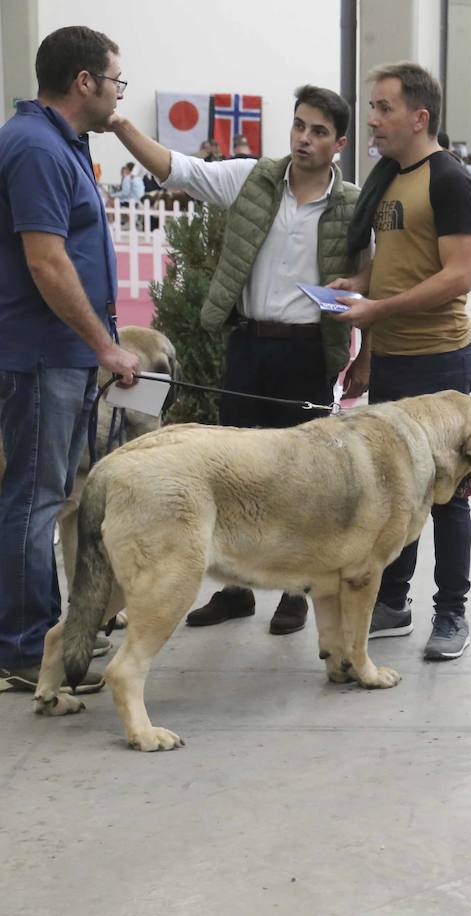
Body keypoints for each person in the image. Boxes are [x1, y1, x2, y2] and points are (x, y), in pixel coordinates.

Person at [109, 85, 360, 635]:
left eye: (319, 131)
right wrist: (120, 125)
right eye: (299, 125)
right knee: (234, 475)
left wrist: (362, 335)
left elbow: (374, 274)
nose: (304, 138)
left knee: (305, 480)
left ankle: (296, 591)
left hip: (307, 353)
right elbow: (179, 169)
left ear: (339, 144)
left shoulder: (352, 205)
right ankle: (236, 590)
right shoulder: (253, 179)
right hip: (247, 345)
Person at [1, 25, 142, 692]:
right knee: (34, 501)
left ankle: (43, 633)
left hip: (60, 356)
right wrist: (104, 345)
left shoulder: (61, 143)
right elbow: (46, 262)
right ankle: (25, 649)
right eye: (116, 80)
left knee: (47, 497)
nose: (120, 94)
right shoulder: (35, 147)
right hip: (42, 356)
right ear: (84, 81)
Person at [329, 62, 471, 662]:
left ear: (420, 117)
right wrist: (359, 290)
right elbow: (395, 262)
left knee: (448, 493)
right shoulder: (390, 178)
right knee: (397, 488)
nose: (372, 119)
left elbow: (457, 275)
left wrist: (378, 307)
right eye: (373, 106)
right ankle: (393, 601)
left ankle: (452, 612)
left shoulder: (449, 180)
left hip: (439, 363)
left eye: (383, 108)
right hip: (392, 356)